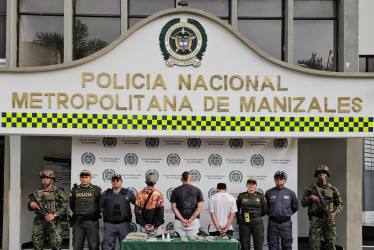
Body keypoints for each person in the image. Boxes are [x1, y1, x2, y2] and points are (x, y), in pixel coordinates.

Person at [301, 165, 343, 250]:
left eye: (323, 173)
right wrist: (310, 197)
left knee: (331, 245)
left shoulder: (333, 189)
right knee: (314, 246)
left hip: (329, 220)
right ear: (316, 175)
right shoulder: (310, 189)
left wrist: (334, 213)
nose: (321, 174)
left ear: (327, 175)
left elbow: (340, 204)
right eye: (319, 173)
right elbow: (303, 203)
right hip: (316, 221)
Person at [28, 170, 68, 250]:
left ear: (52, 180)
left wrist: (54, 215)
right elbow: (30, 206)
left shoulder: (58, 192)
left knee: (56, 245)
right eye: (43, 178)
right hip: (39, 221)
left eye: (47, 178)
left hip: (53, 221)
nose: (44, 180)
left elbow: (65, 207)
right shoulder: (37, 192)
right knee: (37, 245)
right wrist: (31, 204)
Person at [99, 174, 136, 250]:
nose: (115, 182)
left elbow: (137, 203)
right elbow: (101, 206)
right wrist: (108, 214)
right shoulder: (106, 193)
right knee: (107, 247)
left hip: (124, 224)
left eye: (117, 180)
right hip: (109, 224)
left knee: (125, 247)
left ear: (121, 181)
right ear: (111, 182)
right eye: (113, 180)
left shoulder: (128, 193)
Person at [265, 170, 298, 250]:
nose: (279, 180)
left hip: (286, 223)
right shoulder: (269, 193)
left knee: (287, 245)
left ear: (285, 180)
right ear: (274, 180)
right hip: (273, 223)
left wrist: (286, 214)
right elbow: (266, 207)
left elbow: (295, 207)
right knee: (272, 246)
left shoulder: (291, 193)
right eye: (277, 178)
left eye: (281, 178)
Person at [69, 170, 102, 250]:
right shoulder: (74, 190)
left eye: (86, 177)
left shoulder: (96, 189)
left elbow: (101, 204)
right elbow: (72, 204)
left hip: (92, 221)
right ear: (80, 178)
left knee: (94, 245)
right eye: (82, 177)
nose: (84, 179)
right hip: (78, 222)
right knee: (77, 245)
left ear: (90, 178)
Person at [236, 178, 267, 250]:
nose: (251, 185)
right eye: (249, 183)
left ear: (256, 186)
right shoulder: (241, 196)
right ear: (246, 185)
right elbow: (236, 209)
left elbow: (265, 209)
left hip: (257, 222)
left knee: (259, 243)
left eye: (253, 184)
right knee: (244, 243)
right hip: (244, 222)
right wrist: (239, 218)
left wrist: (256, 216)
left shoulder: (260, 196)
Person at [170, 171, 204, 236]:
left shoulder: (175, 190)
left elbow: (173, 207)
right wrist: (190, 220)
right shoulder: (197, 190)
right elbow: (199, 208)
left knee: (179, 244)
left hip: (179, 222)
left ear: (181, 179)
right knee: (193, 244)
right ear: (191, 179)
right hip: (193, 222)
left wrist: (183, 220)